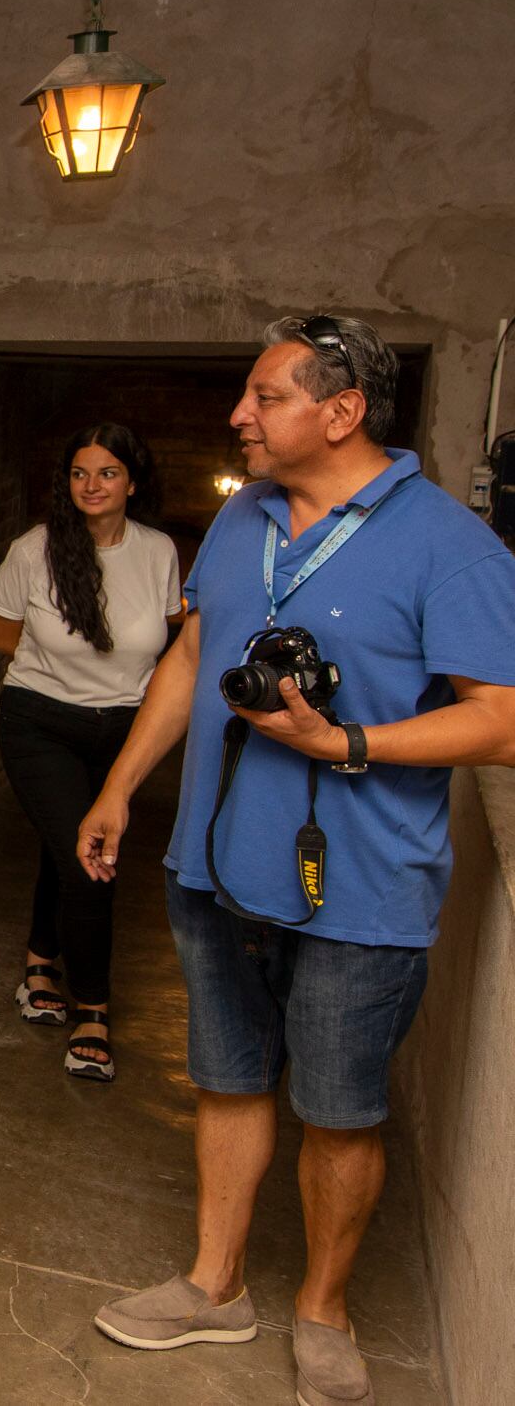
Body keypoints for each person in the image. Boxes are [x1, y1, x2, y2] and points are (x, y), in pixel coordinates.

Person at [76, 316, 515, 1406]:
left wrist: (344, 743)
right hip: (216, 863)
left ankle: (322, 1309)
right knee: (224, 1081)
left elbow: (500, 723)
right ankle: (214, 1287)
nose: (239, 416)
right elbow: (191, 655)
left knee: (338, 1107)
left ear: (340, 410)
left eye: (264, 398)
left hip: (362, 885)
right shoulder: (243, 522)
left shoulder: (449, 546)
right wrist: (119, 786)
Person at [0, 422, 180, 1081]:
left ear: (132, 481)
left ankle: (41, 959)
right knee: (91, 859)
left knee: (64, 843)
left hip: (125, 731)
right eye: (79, 473)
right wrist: (66, 677)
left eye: (107, 473)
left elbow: (176, 641)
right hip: (39, 722)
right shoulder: (32, 551)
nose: (91, 486)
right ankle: (92, 1010)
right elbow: (0, 634)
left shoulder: (158, 552)